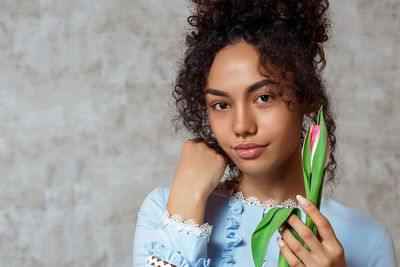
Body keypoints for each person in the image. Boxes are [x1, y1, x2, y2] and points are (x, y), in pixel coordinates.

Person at [132, 0, 398, 266]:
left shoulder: (368, 240)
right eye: (221, 105)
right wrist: (188, 200)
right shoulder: (166, 209)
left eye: (264, 97)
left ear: (307, 97)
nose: (241, 126)